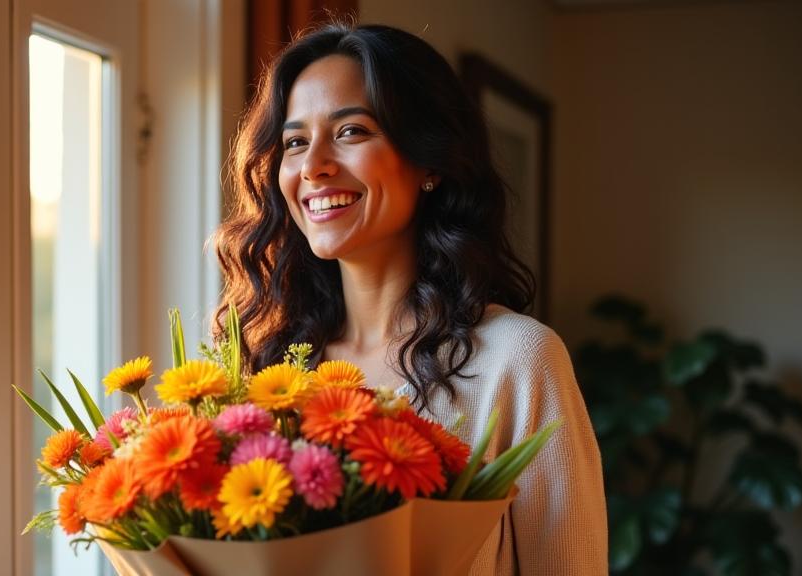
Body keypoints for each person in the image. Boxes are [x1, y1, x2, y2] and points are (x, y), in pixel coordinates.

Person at [213, 21, 607, 575]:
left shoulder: (519, 360)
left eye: (351, 131)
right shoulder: (265, 366)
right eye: (295, 142)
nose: (313, 166)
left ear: (430, 163)